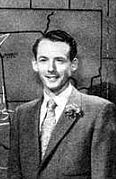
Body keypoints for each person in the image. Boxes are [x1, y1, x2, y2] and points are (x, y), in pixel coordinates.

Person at [7, 30, 116, 179]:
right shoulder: (22, 114)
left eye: (59, 60)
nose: (51, 68)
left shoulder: (99, 112)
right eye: (43, 60)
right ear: (35, 64)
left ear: (73, 65)